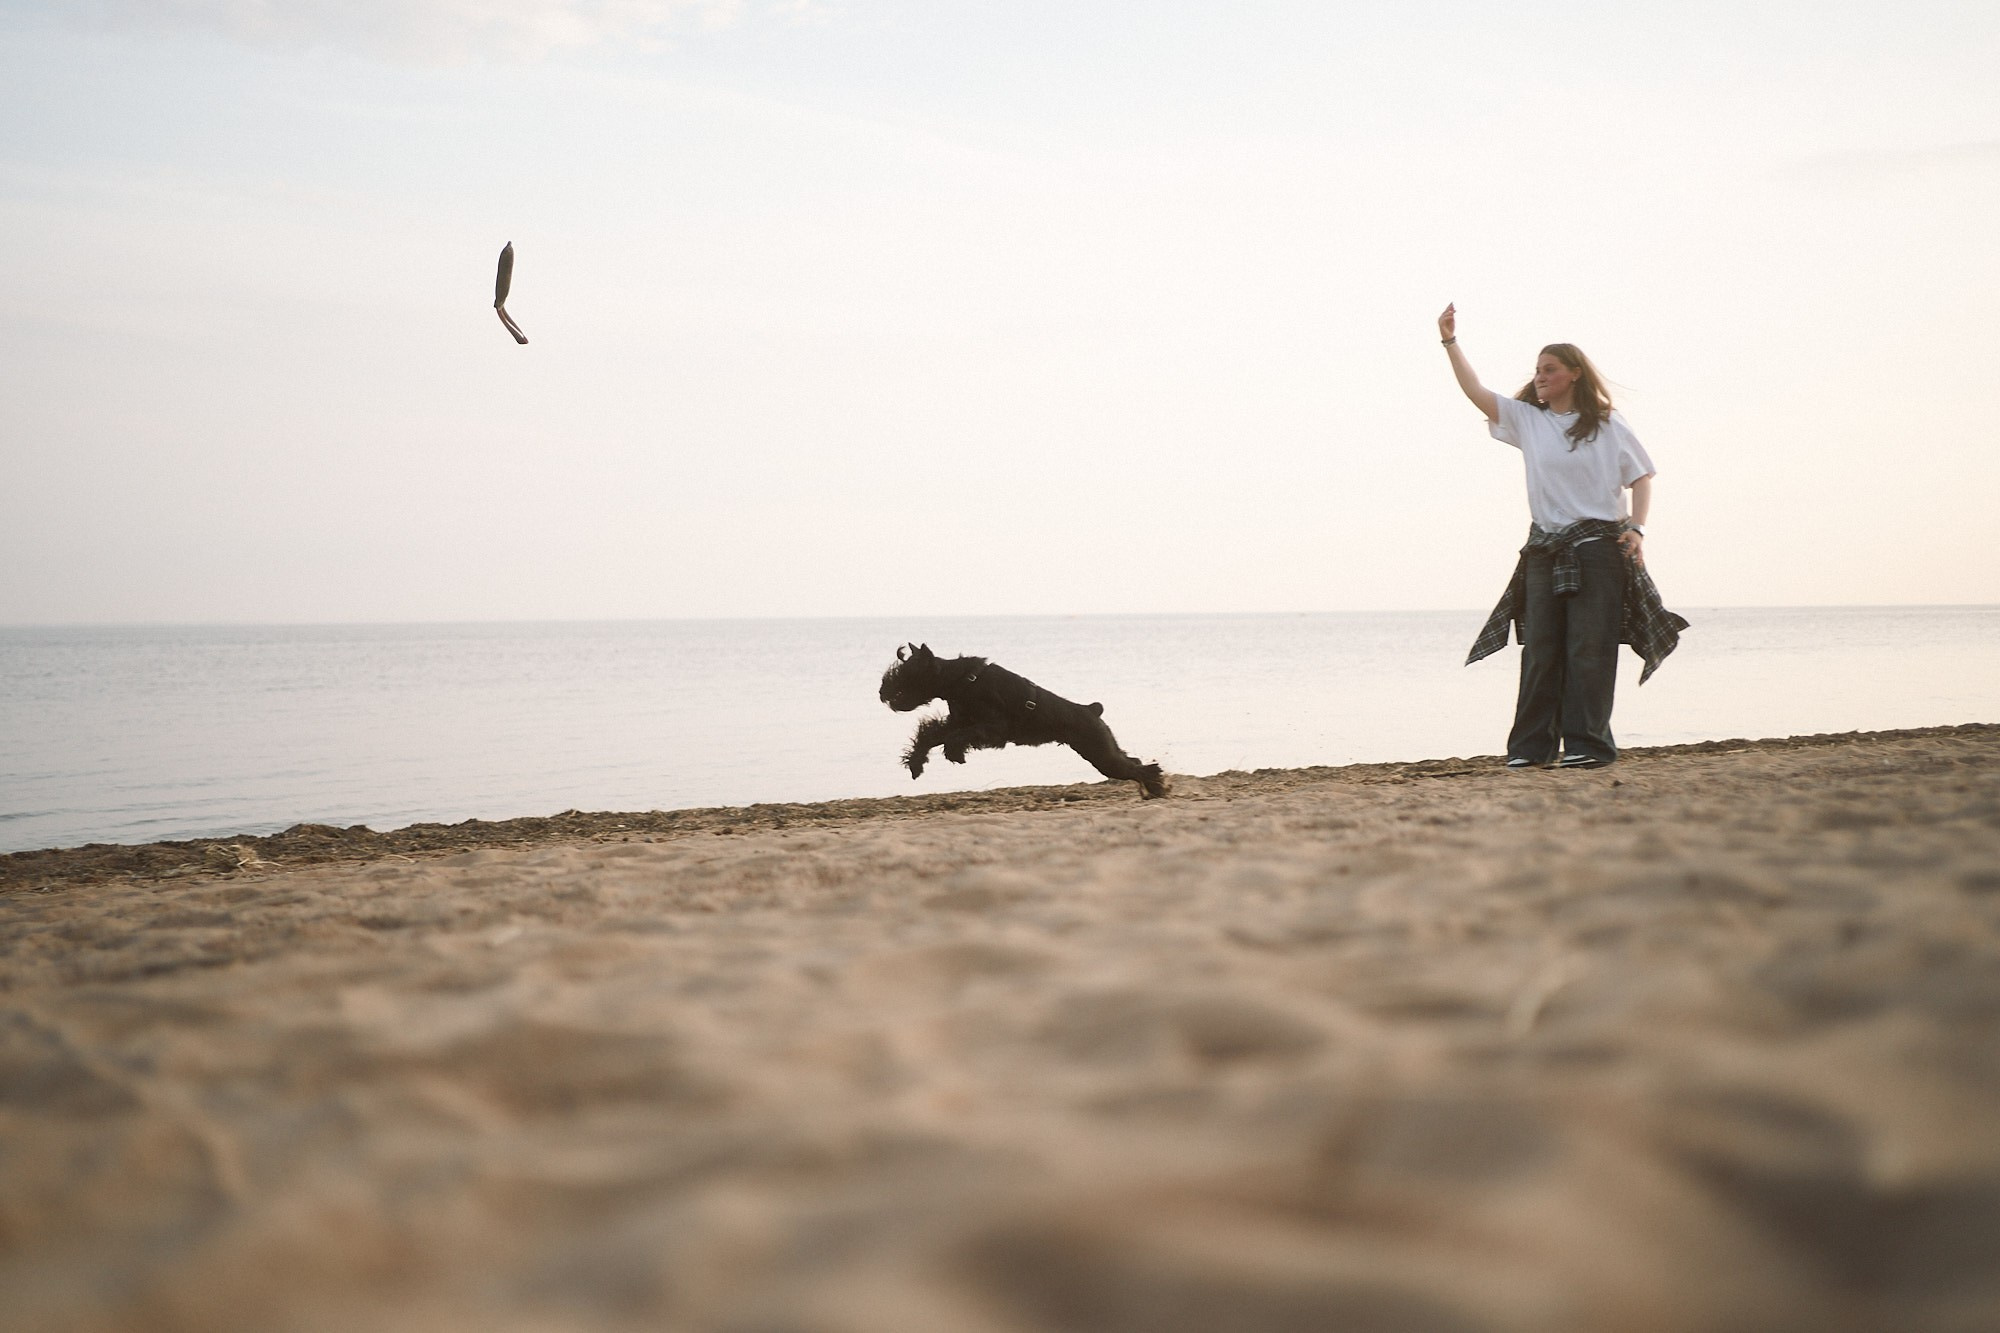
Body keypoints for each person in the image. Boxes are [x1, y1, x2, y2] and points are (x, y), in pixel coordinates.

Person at [1439, 303, 1687, 770]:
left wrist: (1637, 529)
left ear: (1574, 374)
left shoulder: (1608, 424)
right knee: (1540, 652)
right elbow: (1474, 390)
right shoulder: (1528, 421)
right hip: (1544, 550)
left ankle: (1587, 747)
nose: (1540, 377)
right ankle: (1530, 751)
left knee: (1588, 651)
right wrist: (1450, 342)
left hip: (1598, 550)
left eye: (1549, 369)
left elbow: (1642, 477)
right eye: (1536, 370)